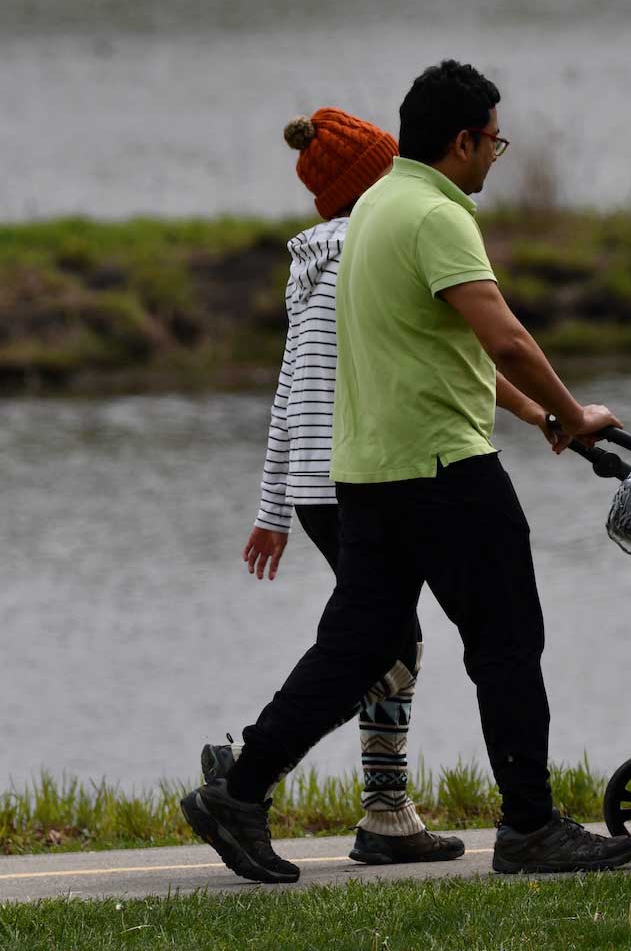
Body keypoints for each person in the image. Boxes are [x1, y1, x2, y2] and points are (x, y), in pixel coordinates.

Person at [181, 60, 631, 883]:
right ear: (461, 141)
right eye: (495, 138)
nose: (499, 153)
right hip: (444, 469)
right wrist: (573, 413)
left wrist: (536, 418)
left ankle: (240, 792)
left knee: (358, 645)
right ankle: (532, 827)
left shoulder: (373, 213)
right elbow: (504, 338)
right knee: (506, 641)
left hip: (366, 477)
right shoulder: (434, 216)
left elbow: (437, 346)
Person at [206, 107, 463, 867]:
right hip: (364, 475)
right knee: (375, 642)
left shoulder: (310, 262)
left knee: (390, 637)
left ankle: (380, 813)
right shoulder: (372, 249)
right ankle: (252, 776)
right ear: (379, 177)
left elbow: (289, 389)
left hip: (322, 486)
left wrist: (273, 509)